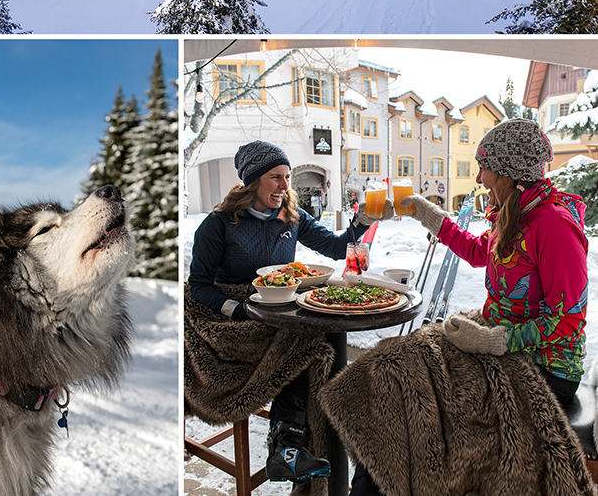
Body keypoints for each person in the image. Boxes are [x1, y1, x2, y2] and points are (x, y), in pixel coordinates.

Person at [340, 119, 586, 496]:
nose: (479, 177)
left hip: (547, 367)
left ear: (508, 172)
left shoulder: (553, 224)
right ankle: (373, 475)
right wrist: (424, 212)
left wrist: (495, 342)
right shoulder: (515, 212)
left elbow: (569, 318)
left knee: (422, 414)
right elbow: (476, 251)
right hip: (495, 340)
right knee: (389, 370)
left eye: (484, 167)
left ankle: (378, 483)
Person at [186, 140, 386, 484]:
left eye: (287, 177)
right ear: (253, 181)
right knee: (303, 342)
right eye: (275, 177)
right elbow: (200, 284)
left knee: (312, 338)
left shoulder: (291, 215)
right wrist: (237, 309)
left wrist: (361, 221)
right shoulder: (218, 224)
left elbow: (337, 248)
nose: (284, 186)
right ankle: (289, 444)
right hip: (228, 316)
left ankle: (289, 446)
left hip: (277, 307)